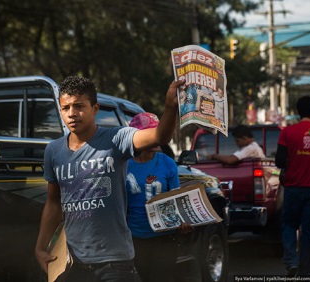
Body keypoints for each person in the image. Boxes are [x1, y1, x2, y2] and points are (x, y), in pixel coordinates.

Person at [34, 75, 185, 282]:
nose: (72, 114)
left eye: (79, 106)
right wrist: (41, 247)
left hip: (115, 264)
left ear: (95, 109)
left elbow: (160, 136)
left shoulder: (116, 139)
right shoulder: (53, 151)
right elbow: (53, 202)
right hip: (73, 263)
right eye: (65, 108)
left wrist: (170, 107)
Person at [125, 112, 193, 282]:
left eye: (158, 131)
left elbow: (175, 198)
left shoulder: (167, 163)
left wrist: (183, 221)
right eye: (150, 132)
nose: (157, 137)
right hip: (135, 238)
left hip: (165, 237)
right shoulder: (123, 165)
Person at [275, 95, 310, 277]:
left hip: (293, 188)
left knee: (289, 225)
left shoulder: (287, 132)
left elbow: (279, 161)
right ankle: (306, 271)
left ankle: (291, 262)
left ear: (297, 112)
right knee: (309, 231)